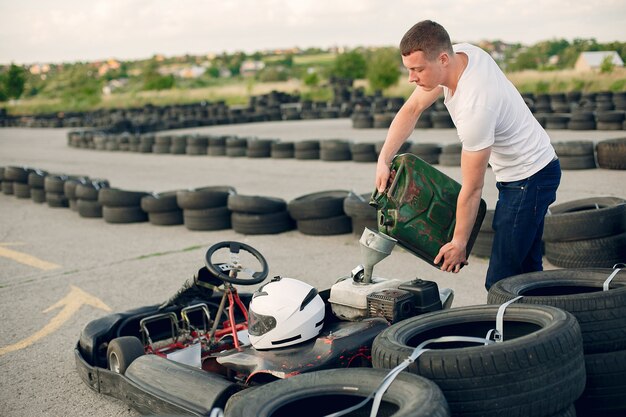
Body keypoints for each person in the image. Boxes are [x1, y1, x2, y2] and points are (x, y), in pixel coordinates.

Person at [375, 20, 561, 290]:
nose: (411, 78)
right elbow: (412, 108)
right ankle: (552, 326)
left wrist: (459, 243)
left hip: (530, 178)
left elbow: (473, 189)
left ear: (442, 59)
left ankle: (512, 329)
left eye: (417, 69)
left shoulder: (476, 106)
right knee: (528, 269)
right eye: (409, 69)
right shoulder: (462, 54)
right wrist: (383, 159)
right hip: (529, 170)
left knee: (500, 281)